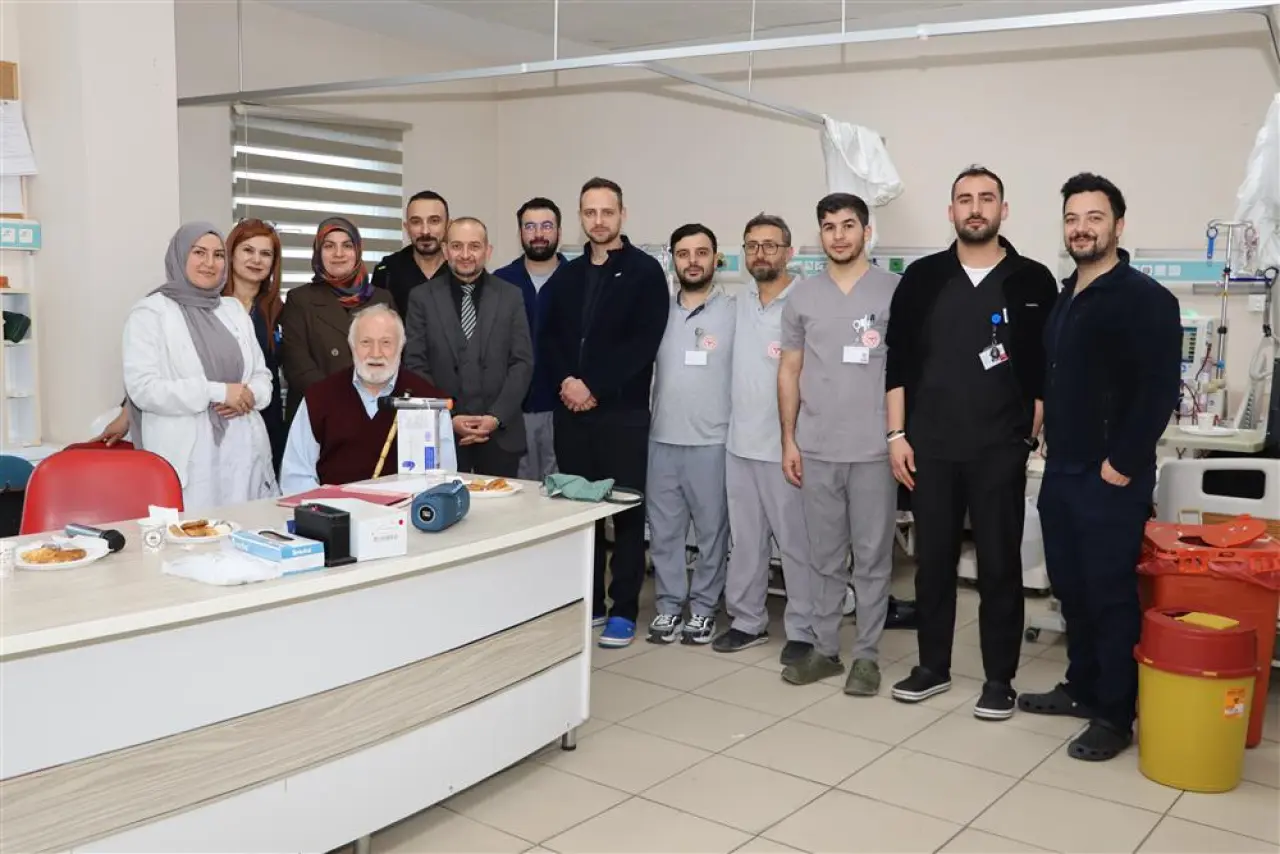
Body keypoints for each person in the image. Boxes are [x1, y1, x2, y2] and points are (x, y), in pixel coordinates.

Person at [884, 166, 1059, 721]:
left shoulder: (1032, 281)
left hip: (998, 449)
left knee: (1000, 567)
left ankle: (999, 679)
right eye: (965, 199)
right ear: (951, 211)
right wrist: (896, 434)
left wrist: (1028, 433)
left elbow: (1044, 369)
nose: (975, 208)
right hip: (930, 447)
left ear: (1003, 210)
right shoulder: (922, 278)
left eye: (986, 198)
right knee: (932, 564)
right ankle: (931, 667)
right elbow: (898, 362)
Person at [1018, 173, 1180, 761]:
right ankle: (1082, 687)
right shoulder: (1067, 295)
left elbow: (1159, 389)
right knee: (1071, 587)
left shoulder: (1145, 298)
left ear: (1118, 224)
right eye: (1072, 218)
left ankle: (1114, 713)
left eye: (1094, 217)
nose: (1081, 228)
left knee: (1110, 595)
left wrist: (1123, 461)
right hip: (1062, 470)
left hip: (1110, 475)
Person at [777, 192, 900, 694]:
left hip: (873, 449)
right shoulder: (803, 297)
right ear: (820, 235)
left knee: (871, 560)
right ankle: (825, 650)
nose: (839, 235)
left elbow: (906, 372)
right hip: (817, 447)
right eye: (829, 227)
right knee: (823, 557)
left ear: (866, 232)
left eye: (848, 225)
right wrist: (789, 439)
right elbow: (789, 370)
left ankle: (866, 657)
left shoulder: (894, 291)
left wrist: (899, 437)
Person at [539, 177, 669, 648]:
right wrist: (567, 383)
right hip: (572, 414)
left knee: (626, 511)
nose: (598, 221)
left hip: (622, 413)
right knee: (581, 510)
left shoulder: (644, 272)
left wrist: (593, 385)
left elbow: (643, 343)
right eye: (590, 213)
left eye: (606, 212)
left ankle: (624, 608)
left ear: (622, 215)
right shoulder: (567, 275)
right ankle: (589, 601)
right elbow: (549, 338)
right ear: (581, 217)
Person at [713, 214, 820, 664]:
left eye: (770, 245)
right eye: (752, 245)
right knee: (746, 541)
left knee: (797, 544)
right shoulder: (736, 303)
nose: (760, 253)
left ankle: (804, 629)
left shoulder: (807, 302)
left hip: (787, 448)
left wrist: (797, 440)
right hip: (740, 444)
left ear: (789, 252)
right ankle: (746, 620)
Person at [123, 222, 278, 512]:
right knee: (193, 534)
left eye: (218, 255)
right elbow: (143, 389)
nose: (210, 263)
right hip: (189, 459)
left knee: (248, 529)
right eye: (199, 252)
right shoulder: (151, 312)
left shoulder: (233, 310)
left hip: (243, 449)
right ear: (180, 255)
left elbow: (262, 375)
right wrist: (218, 392)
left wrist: (250, 395)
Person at [646, 223, 735, 645]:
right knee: (664, 533)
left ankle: (703, 609)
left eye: (701, 253)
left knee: (712, 533)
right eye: (684, 254)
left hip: (712, 442)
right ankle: (668, 605)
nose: (693, 261)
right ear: (673, 260)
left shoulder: (734, 312)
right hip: (662, 439)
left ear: (716, 259)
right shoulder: (656, 312)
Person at [280, 303, 458, 494]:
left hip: (407, 510)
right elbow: (295, 478)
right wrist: (328, 507)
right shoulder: (319, 398)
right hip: (334, 509)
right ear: (352, 346)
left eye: (386, 343)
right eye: (366, 342)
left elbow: (444, 478)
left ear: (401, 347)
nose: (375, 353)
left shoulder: (429, 401)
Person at [404, 217, 533, 477]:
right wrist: (448, 417)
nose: (465, 255)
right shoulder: (421, 298)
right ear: (445, 250)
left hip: (500, 435)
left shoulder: (511, 296)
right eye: (457, 246)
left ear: (488, 251)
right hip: (442, 434)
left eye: (474, 246)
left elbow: (522, 362)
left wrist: (495, 417)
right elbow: (415, 364)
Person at [280, 217, 394, 424]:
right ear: (318, 252)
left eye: (347, 246)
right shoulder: (300, 299)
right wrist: (340, 402)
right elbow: (297, 365)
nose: (338, 254)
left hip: (373, 412)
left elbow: (394, 357)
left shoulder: (382, 298)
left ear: (358, 250)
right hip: (319, 413)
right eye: (329, 246)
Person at [494, 197, 568, 482]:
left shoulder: (577, 279)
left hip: (565, 410)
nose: (538, 234)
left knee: (561, 493)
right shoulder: (501, 282)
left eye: (546, 226)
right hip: (513, 412)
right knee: (517, 492)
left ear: (559, 231)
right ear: (520, 233)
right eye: (530, 226)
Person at [223, 218, 287, 473]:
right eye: (248, 250)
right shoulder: (209, 307)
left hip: (267, 420)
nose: (256, 260)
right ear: (231, 254)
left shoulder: (281, 311)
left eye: (265, 254)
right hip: (220, 417)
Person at [371, 190, 450, 317]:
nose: (425, 231)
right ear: (406, 227)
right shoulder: (387, 271)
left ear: (448, 225)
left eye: (434, 221)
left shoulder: (463, 269)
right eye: (416, 222)